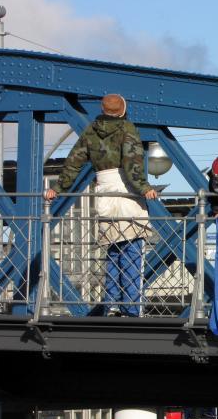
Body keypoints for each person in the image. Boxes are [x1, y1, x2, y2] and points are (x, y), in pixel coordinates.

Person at [45, 94, 158, 317]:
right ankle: (132, 308)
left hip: (105, 195)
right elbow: (132, 163)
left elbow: (73, 162)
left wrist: (57, 188)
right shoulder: (127, 129)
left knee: (114, 252)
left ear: (102, 109)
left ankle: (111, 304)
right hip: (127, 194)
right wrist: (145, 187)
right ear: (123, 110)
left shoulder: (91, 131)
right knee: (132, 251)